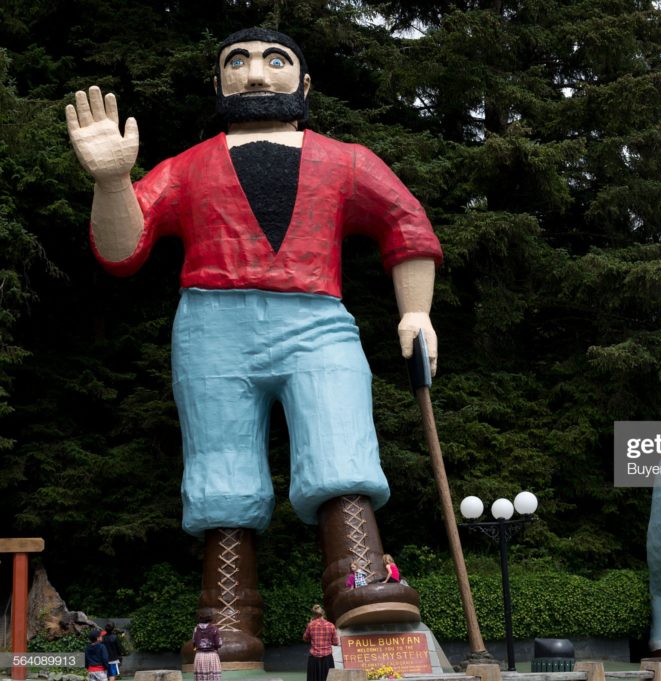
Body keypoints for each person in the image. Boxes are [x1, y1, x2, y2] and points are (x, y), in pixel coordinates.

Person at [66, 27, 440, 663]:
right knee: (221, 465)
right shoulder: (187, 166)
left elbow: (405, 225)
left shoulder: (345, 159)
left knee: (338, 431)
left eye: (275, 60)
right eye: (236, 62)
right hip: (213, 325)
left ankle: (360, 575)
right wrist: (110, 183)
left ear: (305, 83)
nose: (257, 74)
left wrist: (416, 313)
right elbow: (123, 250)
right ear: (218, 84)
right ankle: (225, 617)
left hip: (317, 317)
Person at [303, 604, 339, 681]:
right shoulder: (331, 625)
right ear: (323, 614)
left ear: (314, 614)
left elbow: (305, 638)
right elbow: (336, 642)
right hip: (327, 659)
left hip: (314, 658)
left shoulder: (311, 625)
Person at [191, 614, 223, 681]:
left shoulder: (196, 629)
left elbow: (193, 642)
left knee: (201, 678)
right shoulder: (214, 629)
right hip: (212, 656)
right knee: (213, 678)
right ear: (210, 618)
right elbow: (219, 644)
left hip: (199, 656)